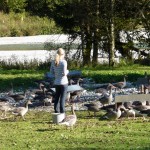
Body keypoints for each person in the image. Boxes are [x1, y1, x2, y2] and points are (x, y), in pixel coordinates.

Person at [50, 48, 69, 114]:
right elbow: (64, 73)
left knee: (57, 97)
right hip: (64, 83)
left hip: (56, 82)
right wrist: (68, 71)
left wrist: (57, 74)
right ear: (63, 54)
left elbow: (51, 72)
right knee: (62, 98)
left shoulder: (53, 62)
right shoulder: (64, 62)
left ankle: (56, 111)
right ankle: (62, 113)